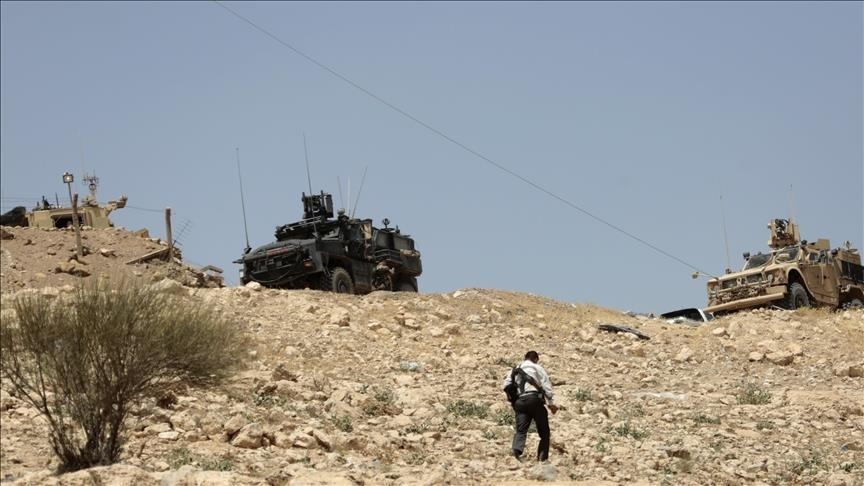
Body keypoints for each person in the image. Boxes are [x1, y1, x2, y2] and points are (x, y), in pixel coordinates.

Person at [502, 350, 558, 462]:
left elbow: (506, 385)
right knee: (544, 432)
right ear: (536, 359)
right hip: (534, 400)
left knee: (521, 430)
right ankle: (542, 458)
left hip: (520, 402)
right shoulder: (537, 368)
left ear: (525, 358)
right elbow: (546, 386)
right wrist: (551, 404)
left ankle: (516, 452)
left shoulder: (515, 369)